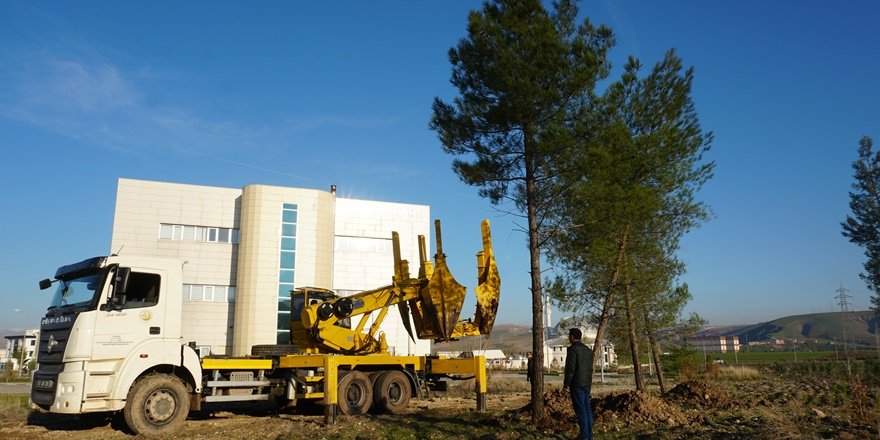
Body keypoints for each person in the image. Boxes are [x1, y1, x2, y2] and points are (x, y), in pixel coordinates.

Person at [563, 327, 594, 440]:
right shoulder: (588, 350)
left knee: (581, 410)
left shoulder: (573, 350)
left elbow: (570, 369)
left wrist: (566, 384)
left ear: (572, 337)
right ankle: (589, 435)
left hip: (577, 384)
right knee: (587, 408)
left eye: (569, 335)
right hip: (587, 383)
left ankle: (584, 436)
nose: (568, 337)